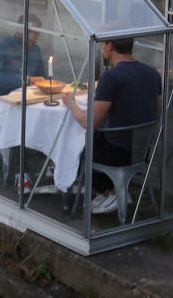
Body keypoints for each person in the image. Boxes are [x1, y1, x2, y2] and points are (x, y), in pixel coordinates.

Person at [61, 37, 162, 214]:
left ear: (109, 46)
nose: (101, 49)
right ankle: (108, 191)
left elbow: (89, 123)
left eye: (102, 44)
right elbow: (158, 113)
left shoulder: (111, 76)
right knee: (97, 136)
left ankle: (114, 192)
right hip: (141, 149)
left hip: (117, 153)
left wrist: (71, 103)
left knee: (75, 141)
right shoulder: (153, 73)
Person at [0, 14, 47, 96]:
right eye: (28, 32)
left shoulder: (35, 50)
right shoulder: (2, 47)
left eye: (36, 33)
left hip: (28, 96)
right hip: (2, 97)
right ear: (18, 29)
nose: (32, 37)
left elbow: (41, 75)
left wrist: (48, 84)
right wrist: (25, 80)